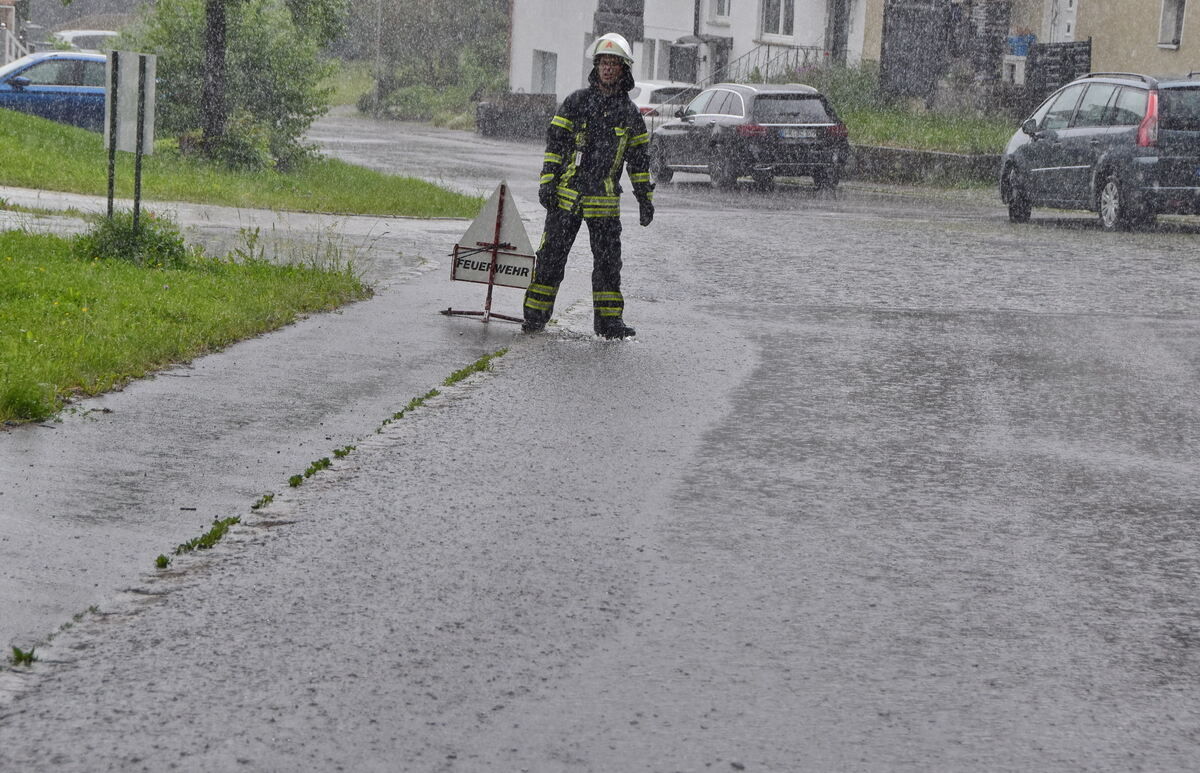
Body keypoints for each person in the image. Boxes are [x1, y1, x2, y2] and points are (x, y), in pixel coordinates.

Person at [522, 32, 655, 339]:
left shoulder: (630, 114)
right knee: (550, 261)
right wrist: (547, 183)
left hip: (605, 203)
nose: (608, 68)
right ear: (596, 67)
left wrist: (645, 199)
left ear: (623, 69)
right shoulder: (576, 103)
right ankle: (534, 318)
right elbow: (554, 146)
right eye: (603, 63)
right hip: (566, 200)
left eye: (613, 64)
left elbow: (638, 161)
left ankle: (609, 324)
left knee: (609, 267)